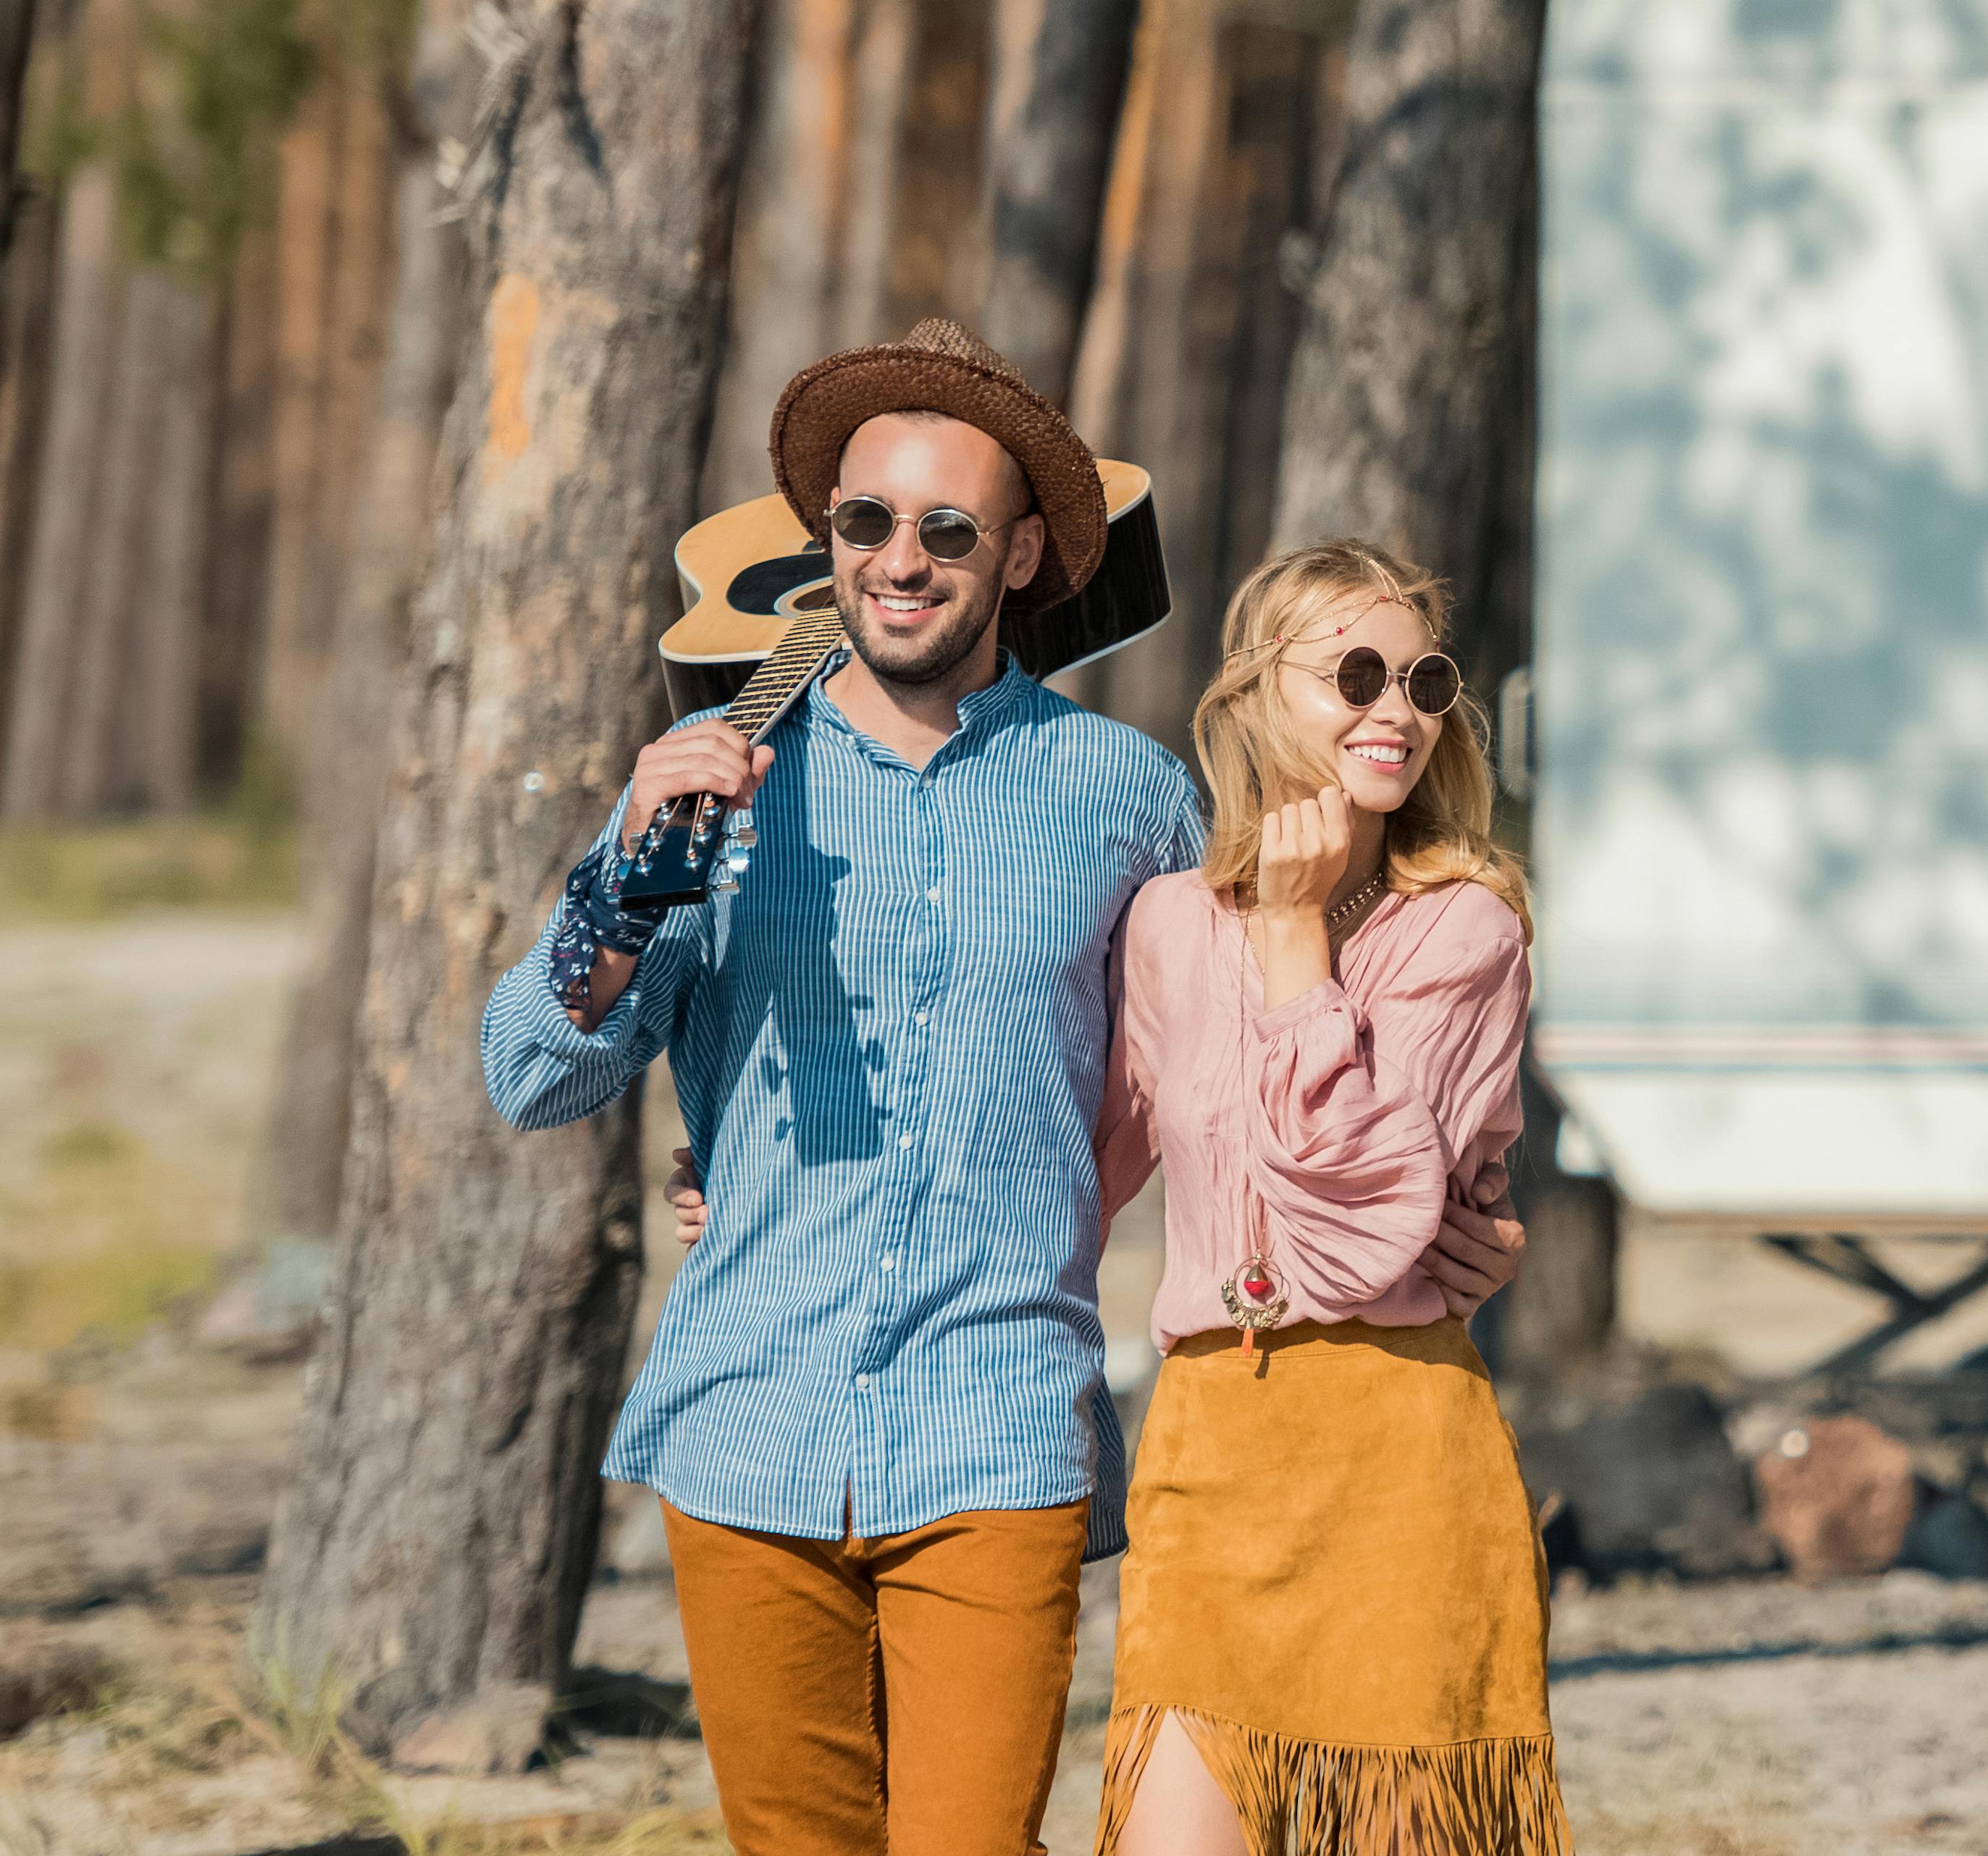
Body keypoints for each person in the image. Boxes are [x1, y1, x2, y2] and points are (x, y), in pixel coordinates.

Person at [482, 319, 1528, 1856]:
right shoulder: (710, 776)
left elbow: (1235, 1045)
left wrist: (1454, 1208)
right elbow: (530, 1072)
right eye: (865, 520)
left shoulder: (1130, 799)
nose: (901, 558)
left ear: (1022, 553)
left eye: (949, 528)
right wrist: (622, 889)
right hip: (744, 1421)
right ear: (827, 540)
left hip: (999, 1424)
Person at [679, 538, 1572, 1855]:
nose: (1397, 710)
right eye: (1356, 675)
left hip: (1398, 1453)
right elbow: (1060, 1167)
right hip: (1210, 1449)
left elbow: (1359, 1237)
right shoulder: (1168, 924)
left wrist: (1296, 943)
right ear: (1257, 694)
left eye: (1424, 681)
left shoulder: (1466, 930)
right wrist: (783, 1196)